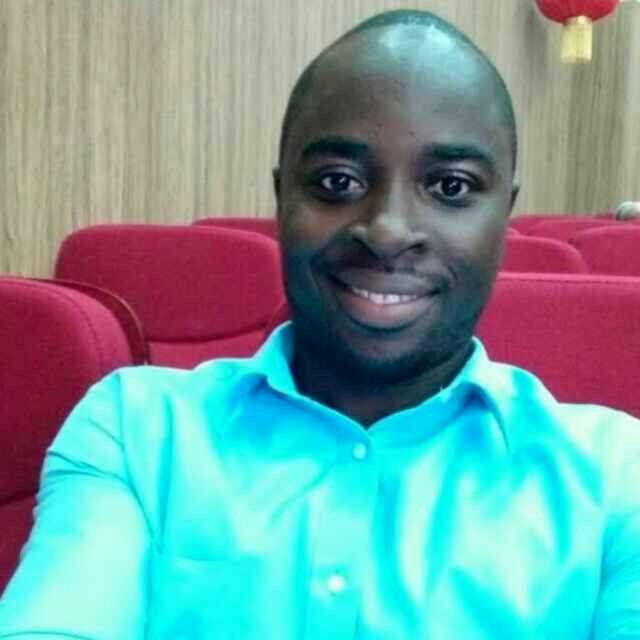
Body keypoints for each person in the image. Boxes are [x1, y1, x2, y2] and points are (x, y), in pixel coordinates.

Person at [1, 9, 639, 639]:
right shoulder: (139, 432)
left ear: (504, 216)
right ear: (282, 198)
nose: (387, 231)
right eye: (338, 181)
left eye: (450, 187)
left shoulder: (614, 477)